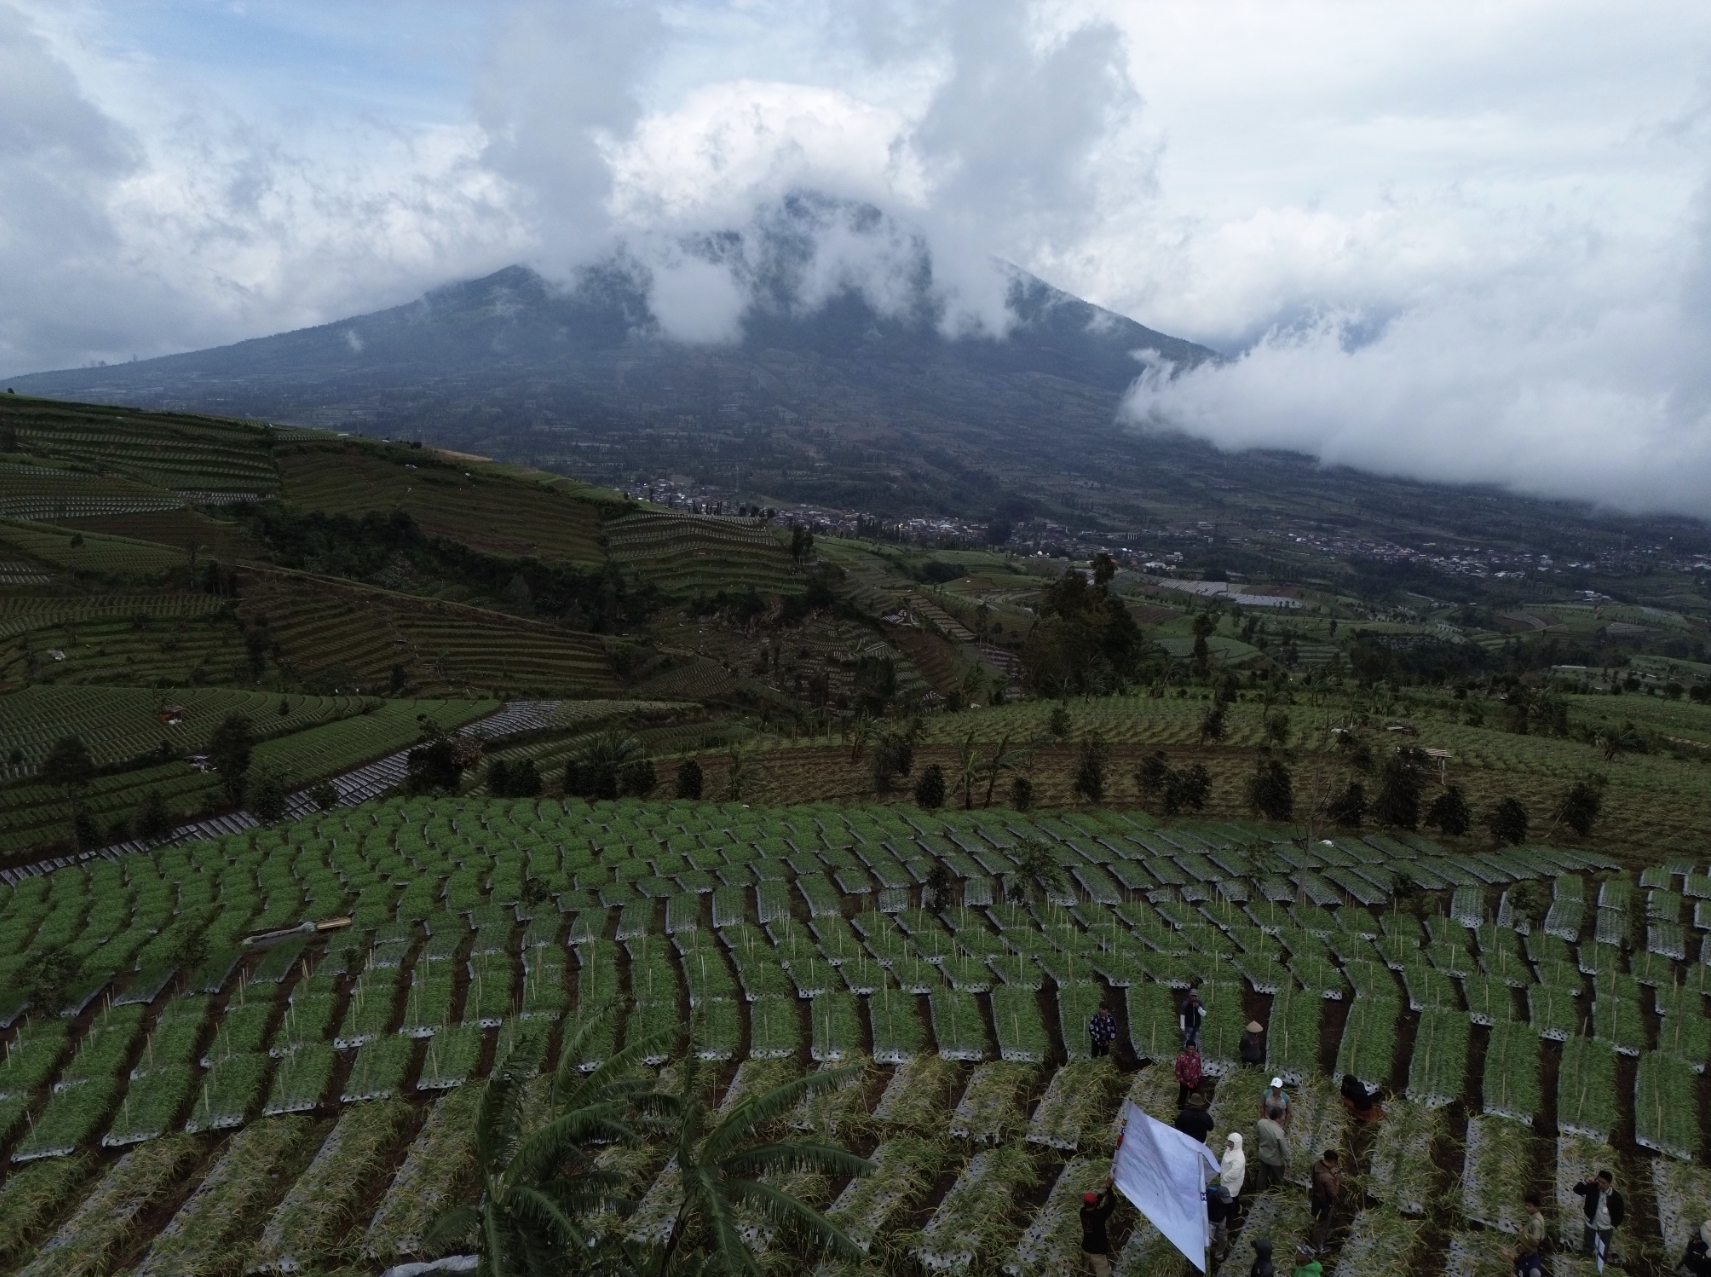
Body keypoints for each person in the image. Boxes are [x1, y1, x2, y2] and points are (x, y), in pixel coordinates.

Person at [1572, 1169, 1624, 1261]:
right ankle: (1586, 1262)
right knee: (1588, 1246)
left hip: (1606, 1228)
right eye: (1599, 1181)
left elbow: (1619, 1213)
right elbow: (1577, 1190)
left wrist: (1612, 1225)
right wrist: (1586, 1181)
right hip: (1591, 1224)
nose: (1600, 1184)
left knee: (1603, 1249)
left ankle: (1600, 1266)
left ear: (1609, 1183)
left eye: (1603, 1183)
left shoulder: (1616, 1197)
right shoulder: (1592, 1188)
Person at [1080, 1176, 1118, 1277]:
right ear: (1094, 1204)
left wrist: (1104, 1193)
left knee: (1087, 1262)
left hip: (1086, 1247)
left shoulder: (1082, 1212)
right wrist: (1109, 1189)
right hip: (1097, 1253)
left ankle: (1086, 1271)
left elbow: (1095, 1203)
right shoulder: (1099, 1215)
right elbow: (1111, 1204)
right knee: (1104, 1273)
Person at [1308, 1149, 1343, 1252]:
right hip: (1324, 1203)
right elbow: (1333, 1194)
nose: (1335, 1165)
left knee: (1317, 1219)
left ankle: (1316, 1237)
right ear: (1332, 1161)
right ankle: (1318, 1247)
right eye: (1335, 1163)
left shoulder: (1315, 1164)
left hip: (1315, 1197)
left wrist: (1332, 1173)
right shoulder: (1327, 1178)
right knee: (1321, 1224)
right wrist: (1337, 1181)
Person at [1253, 1107, 1288, 1193]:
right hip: (1275, 1160)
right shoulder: (1279, 1132)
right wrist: (1289, 1161)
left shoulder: (1261, 1123)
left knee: (1262, 1174)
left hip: (1263, 1155)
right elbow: (1284, 1149)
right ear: (1278, 1117)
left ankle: (1259, 1192)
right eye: (1282, 1116)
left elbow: (1257, 1135)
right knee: (1278, 1177)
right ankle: (1276, 1193)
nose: (1284, 1118)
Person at [1208, 1185, 1236, 1261]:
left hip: (1222, 1220)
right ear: (1217, 1196)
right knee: (1208, 1242)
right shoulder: (1209, 1198)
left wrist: (1228, 1227)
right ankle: (1206, 1260)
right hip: (1209, 1221)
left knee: (1223, 1239)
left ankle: (1219, 1255)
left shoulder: (1229, 1201)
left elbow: (1230, 1213)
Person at [1222, 1132, 1247, 1200]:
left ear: (1237, 1143)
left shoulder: (1239, 1158)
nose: (1229, 1144)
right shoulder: (1230, 1149)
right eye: (1229, 1141)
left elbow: (1234, 1174)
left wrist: (1224, 1177)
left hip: (1231, 1184)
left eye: (1231, 1142)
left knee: (1231, 1197)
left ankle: (1235, 1209)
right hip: (1226, 1182)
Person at [1521, 1191, 1547, 1256]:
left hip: (1529, 1252)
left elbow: (1535, 1241)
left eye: (1529, 1206)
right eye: (1526, 1205)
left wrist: (1524, 1234)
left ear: (1536, 1207)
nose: (1526, 1207)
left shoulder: (1536, 1222)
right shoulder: (1533, 1216)